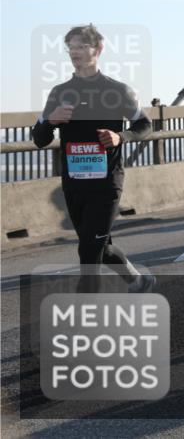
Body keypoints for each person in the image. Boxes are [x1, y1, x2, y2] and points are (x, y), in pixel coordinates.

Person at [31, 24, 155, 294]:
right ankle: (138, 280)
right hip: (74, 184)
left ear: (98, 49)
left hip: (107, 183)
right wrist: (51, 121)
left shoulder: (118, 90)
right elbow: (38, 138)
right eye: (71, 47)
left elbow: (145, 126)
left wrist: (120, 137)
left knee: (88, 251)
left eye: (81, 46)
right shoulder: (59, 92)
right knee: (100, 246)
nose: (75, 52)